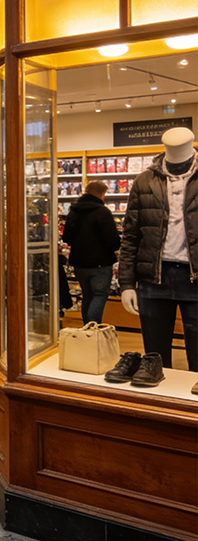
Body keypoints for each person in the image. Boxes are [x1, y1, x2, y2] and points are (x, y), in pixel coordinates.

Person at [119, 127, 197, 373]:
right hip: (153, 278)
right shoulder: (144, 181)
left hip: (195, 279)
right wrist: (126, 284)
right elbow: (130, 236)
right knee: (154, 358)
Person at [62, 180, 120, 324]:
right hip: (100, 263)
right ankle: (92, 328)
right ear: (101, 194)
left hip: (79, 263)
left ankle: (86, 328)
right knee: (100, 294)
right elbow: (112, 241)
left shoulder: (73, 212)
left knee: (87, 295)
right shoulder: (103, 212)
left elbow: (67, 237)